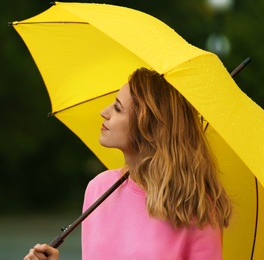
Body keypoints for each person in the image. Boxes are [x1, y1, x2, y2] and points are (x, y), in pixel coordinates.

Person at [24, 68, 232, 260]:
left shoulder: (195, 208)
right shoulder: (98, 189)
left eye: (117, 108)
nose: (104, 112)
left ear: (147, 126)